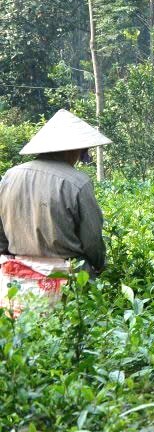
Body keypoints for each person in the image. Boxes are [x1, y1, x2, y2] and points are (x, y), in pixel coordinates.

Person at [0, 109, 110, 315]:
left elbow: (1, 236)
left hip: (17, 275)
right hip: (66, 274)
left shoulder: (9, 176)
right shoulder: (78, 182)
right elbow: (92, 242)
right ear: (72, 150)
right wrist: (99, 265)